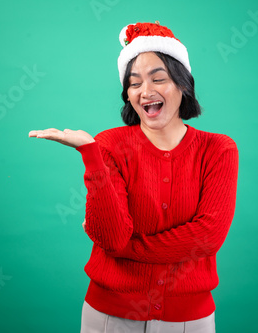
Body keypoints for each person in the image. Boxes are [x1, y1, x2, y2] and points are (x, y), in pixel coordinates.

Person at [29, 21, 239, 333]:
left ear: (183, 84)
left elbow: (207, 237)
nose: (146, 91)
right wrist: (91, 155)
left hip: (188, 319)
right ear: (127, 94)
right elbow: (111, 237)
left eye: (159, 79)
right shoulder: (109, 145)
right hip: (108, 316)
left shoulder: (218, 149)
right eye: (135, 83)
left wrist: (127, 250)